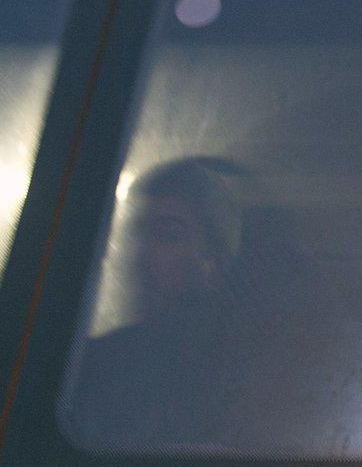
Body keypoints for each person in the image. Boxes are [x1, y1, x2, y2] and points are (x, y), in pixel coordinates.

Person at [67, 157, 253, 449]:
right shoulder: (96, 364)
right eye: (140, 233)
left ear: (213, 262)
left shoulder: (245, 372)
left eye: (169, 235)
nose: (144, 254)